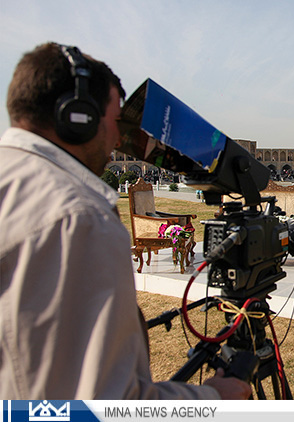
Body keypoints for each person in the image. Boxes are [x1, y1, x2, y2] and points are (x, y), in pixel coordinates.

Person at [0, 42, 251, 400]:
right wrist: (213, 398)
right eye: (116, 121)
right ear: (79, 117)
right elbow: (103, 405)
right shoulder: (76, 218)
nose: (119, 138)